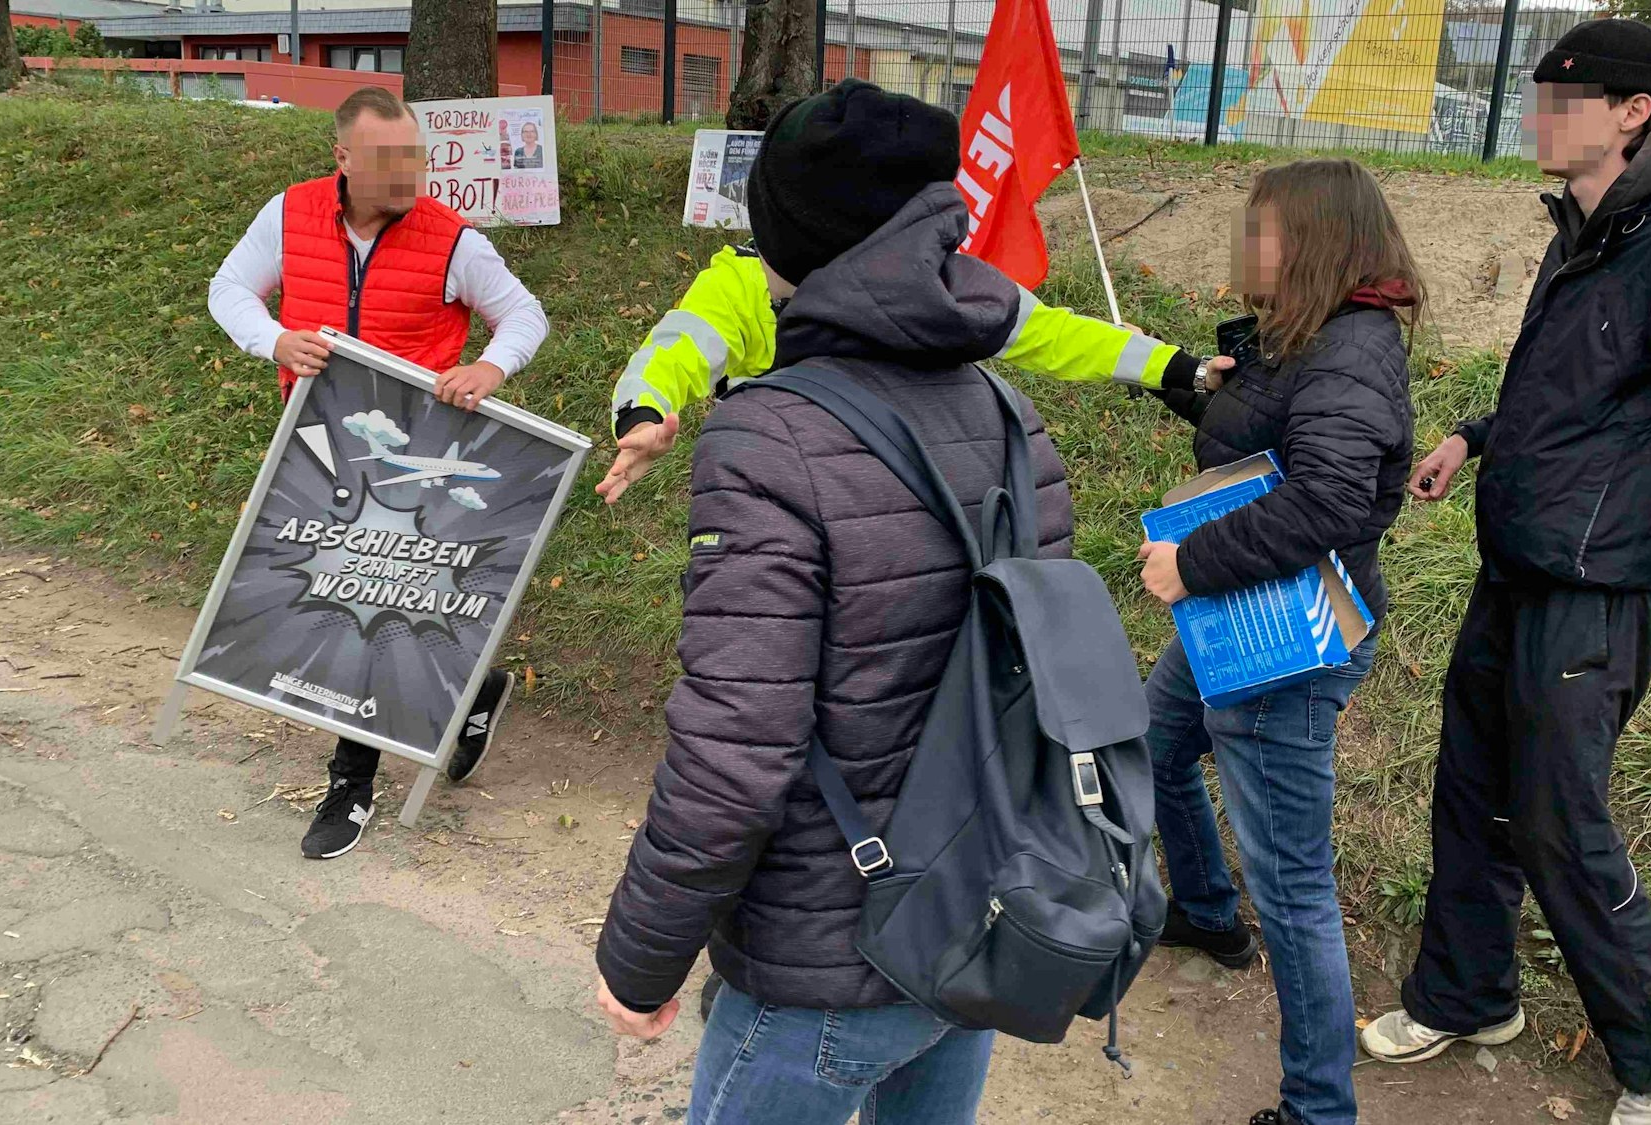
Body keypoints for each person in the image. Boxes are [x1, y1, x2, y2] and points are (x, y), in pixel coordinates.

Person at [591, 80, 1074, 1125]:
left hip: (823, 965)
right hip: (970, 915)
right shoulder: (1008, 412)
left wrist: (640, 959)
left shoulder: (768, 437)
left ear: (791, 243)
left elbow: (735, 750)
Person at [1359, 20, 1651, 1125]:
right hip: (1515, 565)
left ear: (1630, 112)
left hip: (1595, 590)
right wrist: (1472, 436)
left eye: (1560, 101)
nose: (1533, 119)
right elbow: (1567, 393)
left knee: (1557, 819)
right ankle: (1465, 995)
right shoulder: (1585, 231)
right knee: (1468, 792)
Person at [1135, 159, 1422, 1125]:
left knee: (1294, 883)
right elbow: (1266, 444)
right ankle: (1208, 913)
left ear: (1313, 241)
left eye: (1261, 230)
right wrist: (1200, 385)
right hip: (1238, 621)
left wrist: (1193, 563)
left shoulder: (1351, 348)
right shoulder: (1300, 339)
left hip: (1287, 641)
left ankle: (1316, 1108)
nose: (1244, 247)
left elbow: (1330, 498)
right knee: (1154, 745)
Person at [207, 85, 552, 860]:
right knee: (345, 592)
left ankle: (350, 780)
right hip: (318, 447)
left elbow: (524, 314)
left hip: (409, 461)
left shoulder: (454, 239)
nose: (409, 174)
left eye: (416, 158)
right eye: (389, 160)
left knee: (366, 601)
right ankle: (473, 690)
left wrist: (491, 368)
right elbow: (228, 289)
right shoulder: (289, 215)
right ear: (343, 158)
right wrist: (273, 339)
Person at [594, 209, 1209, 504]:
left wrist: (1182, 369)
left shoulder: (933, 282)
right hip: (786, 485)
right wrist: (643, 413)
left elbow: (1052, 333)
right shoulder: (742, 281)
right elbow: (676, 347)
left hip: (914, 490)